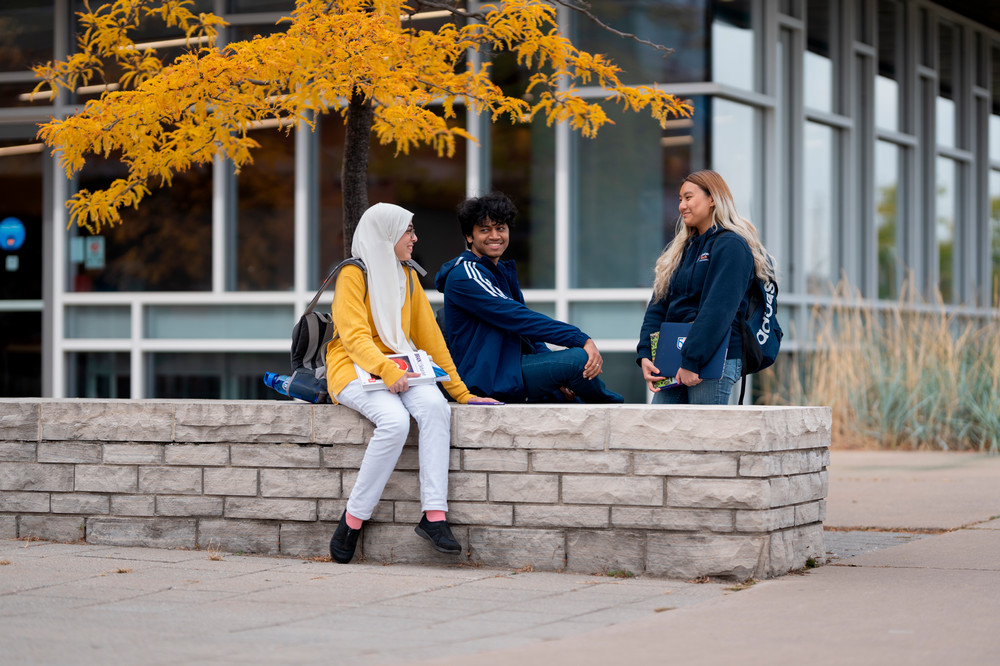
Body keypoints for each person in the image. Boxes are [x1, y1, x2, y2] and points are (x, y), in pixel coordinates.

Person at [326, 203, 500, 564]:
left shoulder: (407, 275)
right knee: (394, 422)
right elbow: (354, 336)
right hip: (352, 367)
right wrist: (385, 370)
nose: (415, 238)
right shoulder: (353, 275)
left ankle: (434, 516)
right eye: (409, 231)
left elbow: (429, 337)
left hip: (400, 363)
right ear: (388, 234)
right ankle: (352, 520)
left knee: (436, 407)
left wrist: (461, 392)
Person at [434, 192, 624, 404]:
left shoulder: (499, 273)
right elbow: (517, 317)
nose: (495, 236)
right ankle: (616, 408)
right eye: (485, 230)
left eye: (500, 228)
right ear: (470, 237)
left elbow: (528, 334)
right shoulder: (465, 275)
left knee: (568, 391)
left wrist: (546, 361)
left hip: (512, 367)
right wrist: (580, 338)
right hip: (486, 377)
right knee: (578, 360)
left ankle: (607, 409)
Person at [636, 170, 777, 405]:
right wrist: (645, 355)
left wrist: (692, 361)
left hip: (713, 357)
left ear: (712, 199)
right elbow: (657, 307)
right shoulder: (681, 251)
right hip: (673, 357)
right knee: (662, 436)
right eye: (680, 199)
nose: (681, 206)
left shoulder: (731, 245)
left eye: (688, 198)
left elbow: (718, 310)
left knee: (703, 439)